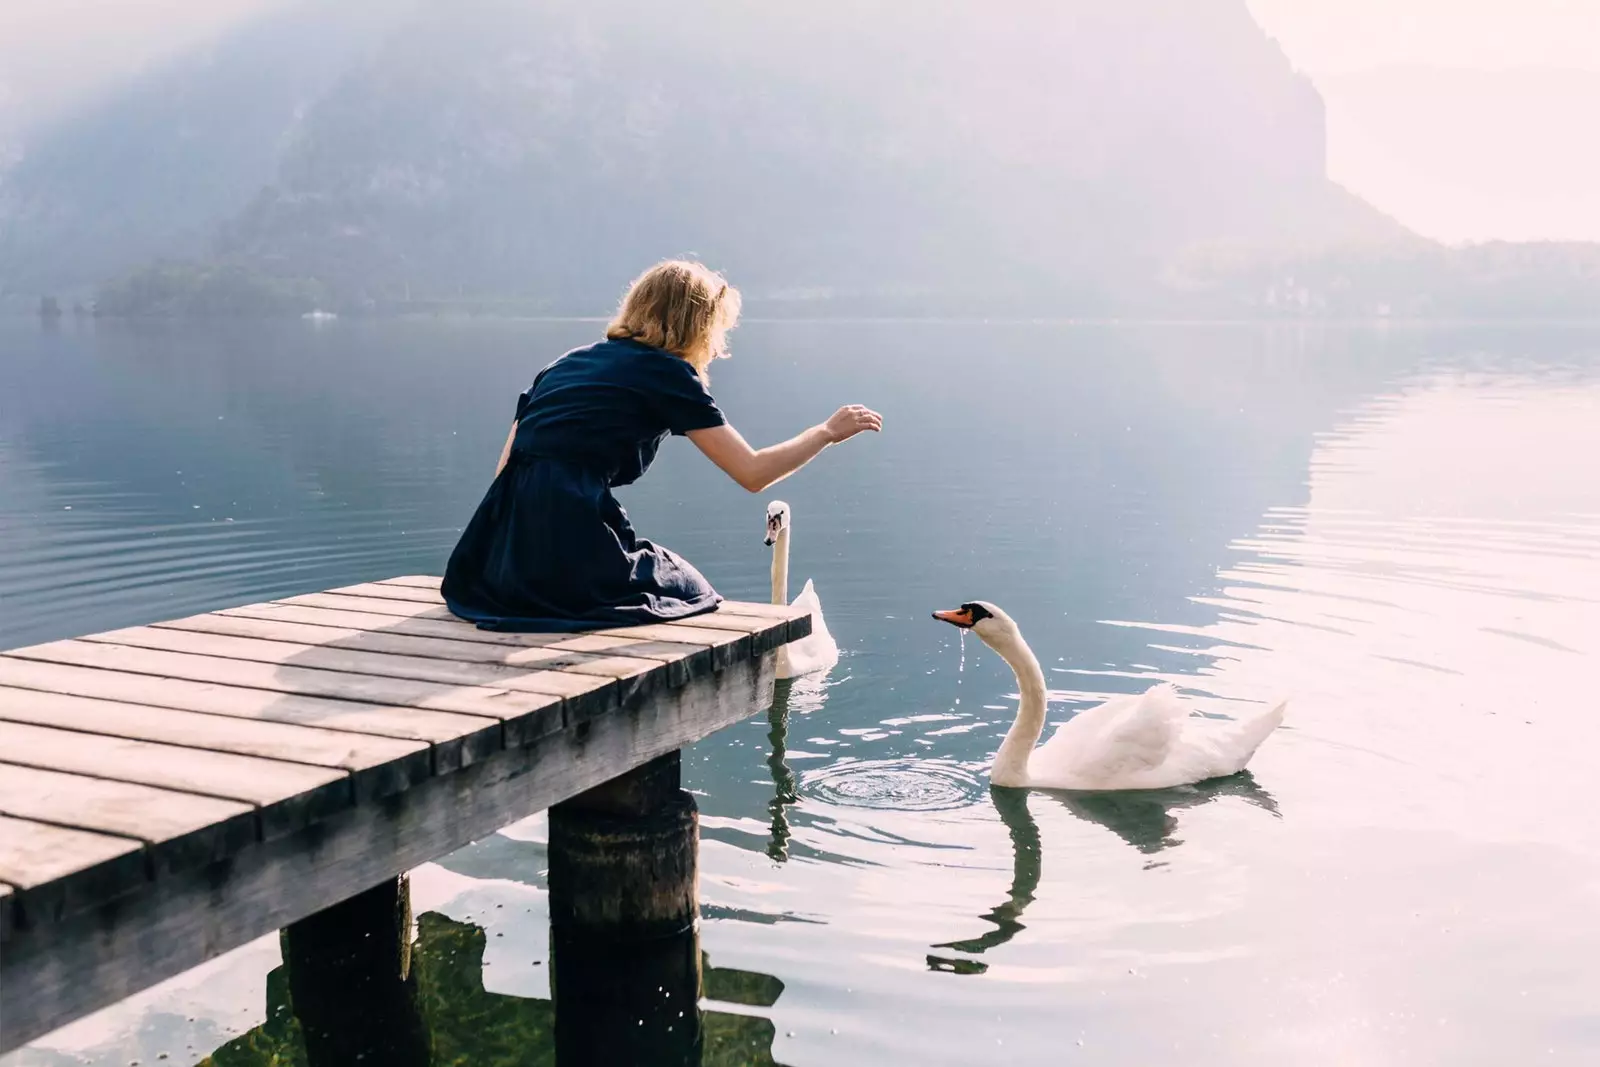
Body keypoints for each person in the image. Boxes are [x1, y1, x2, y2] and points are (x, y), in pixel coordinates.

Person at [442, 260, 882, 631]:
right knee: (690, 588)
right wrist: (825, 432)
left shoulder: (562, 365)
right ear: (697, 325)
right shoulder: (667, 374)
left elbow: (506, 469)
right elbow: (753, 473)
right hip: (566, 540)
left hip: (491, 556)